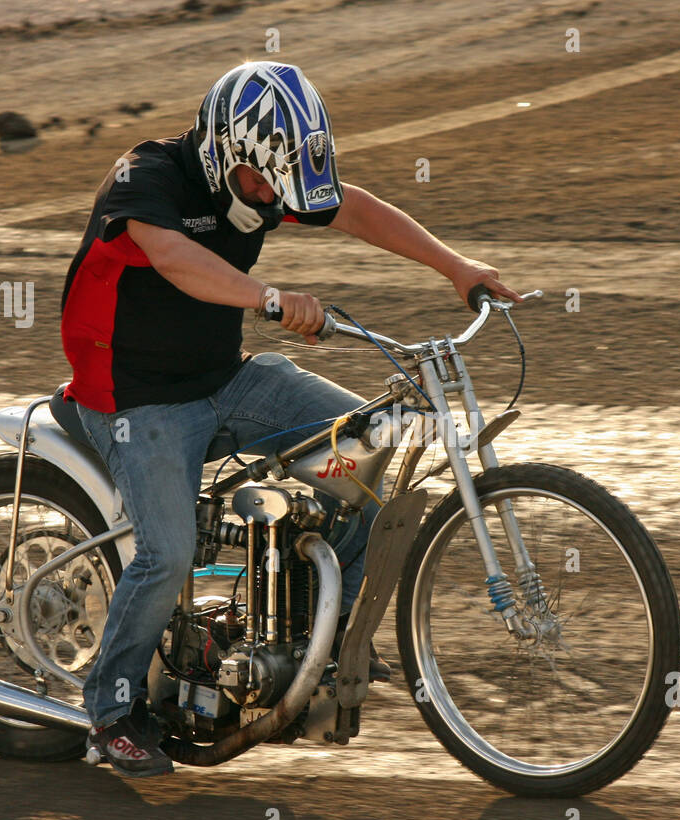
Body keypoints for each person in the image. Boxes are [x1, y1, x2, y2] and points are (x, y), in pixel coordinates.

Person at [58, 61, 521, 777]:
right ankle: (110, 711)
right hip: (132, 397)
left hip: (226, 379)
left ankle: (306, 656)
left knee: (372, 457)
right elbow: (177, 259)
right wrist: (268, 298)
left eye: (280, 186)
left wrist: (455, 266)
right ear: (222, 152)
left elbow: (354, 207)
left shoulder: (264, 181)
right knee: (169, 552)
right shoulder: (146, 178)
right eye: (260, 183)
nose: (272, 199)